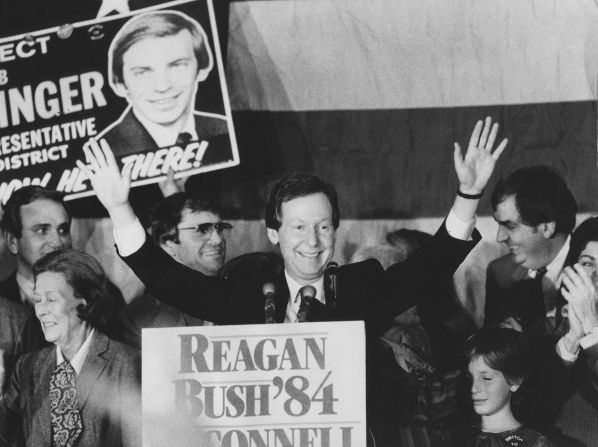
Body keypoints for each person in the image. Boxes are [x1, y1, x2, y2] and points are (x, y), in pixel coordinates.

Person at [78, 116, 506, 442]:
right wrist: (120, 209)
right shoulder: (244, 291)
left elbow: (425, 270)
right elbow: (170, 281)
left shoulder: (360, 288)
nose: (312, 241)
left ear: (335, 230)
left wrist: (468, 196)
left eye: (323, 226)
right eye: (298, 227)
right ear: (273, 233)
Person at [0, 249, 140, 447]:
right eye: (38, 300)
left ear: (85, 301)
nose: (41, 311)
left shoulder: (128, 364)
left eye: (52, 299)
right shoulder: (28, 367)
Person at [97, 10, 232, 163]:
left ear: (201, 70)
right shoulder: (100, 155)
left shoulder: (225, 130)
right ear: (119, 85)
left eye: (177, 65)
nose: (163, 86)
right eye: (142, 72)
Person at [121, 193, 230, 347]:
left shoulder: (247, 293)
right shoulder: (144, 322)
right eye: (202, 230)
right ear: (167, 244)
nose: (218, 239)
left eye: (219, 228)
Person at [485, 166, 577, 331]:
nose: (500, 237)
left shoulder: (591, 269)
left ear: (547, 228)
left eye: (510, 226)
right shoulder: (499, 273)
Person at [451, 327, 554, 447]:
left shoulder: (535, 443)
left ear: (515, 381)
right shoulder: (454, 438)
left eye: (486, 378)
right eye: (470, 377)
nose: (474, 388)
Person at [553, 217, 598, 446]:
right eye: (588, 263)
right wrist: (569, 345)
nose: (593, 277)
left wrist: (592, 330)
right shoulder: (551, 327)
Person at [0, 186, 71, 305]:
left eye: (63, 230)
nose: (58, 242)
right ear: (12, 241)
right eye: (42, 231)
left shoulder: (99, 294)